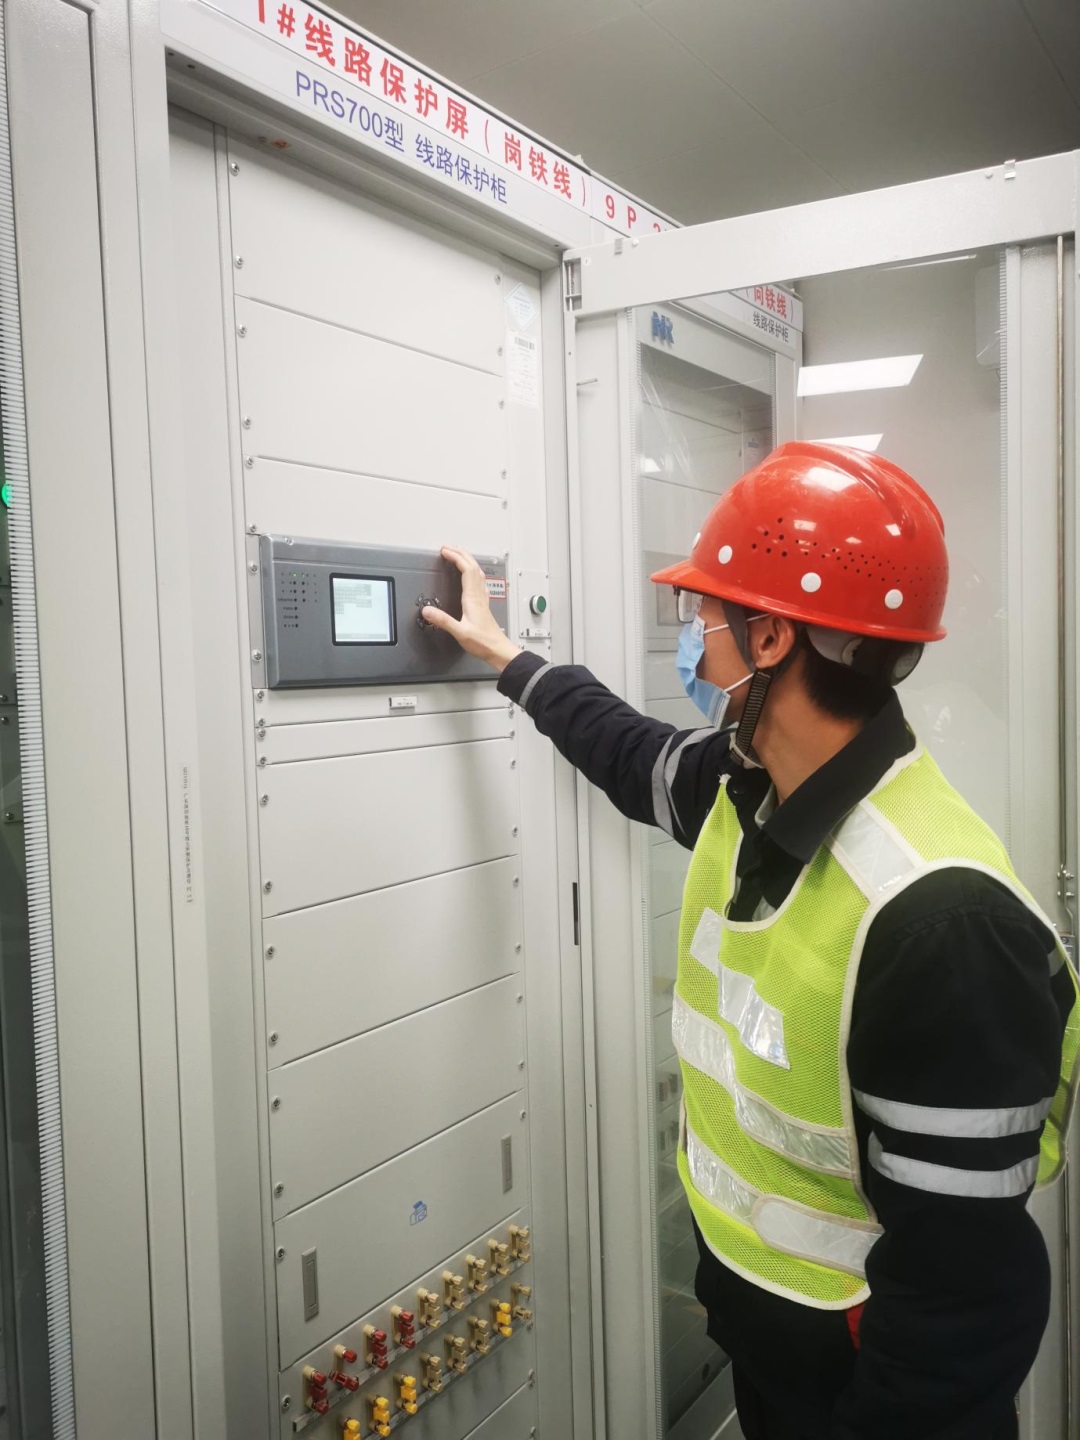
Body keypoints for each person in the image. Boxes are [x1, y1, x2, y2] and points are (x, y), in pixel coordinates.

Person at [423, 442, 1080, 1440]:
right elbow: (630, 751)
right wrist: (509, 659)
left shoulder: (941, 924)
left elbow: (961, 1301)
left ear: (770, 637)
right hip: (768, 1340)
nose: (694, 640)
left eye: (705, 615)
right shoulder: (751, 789)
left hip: (859, 1387)